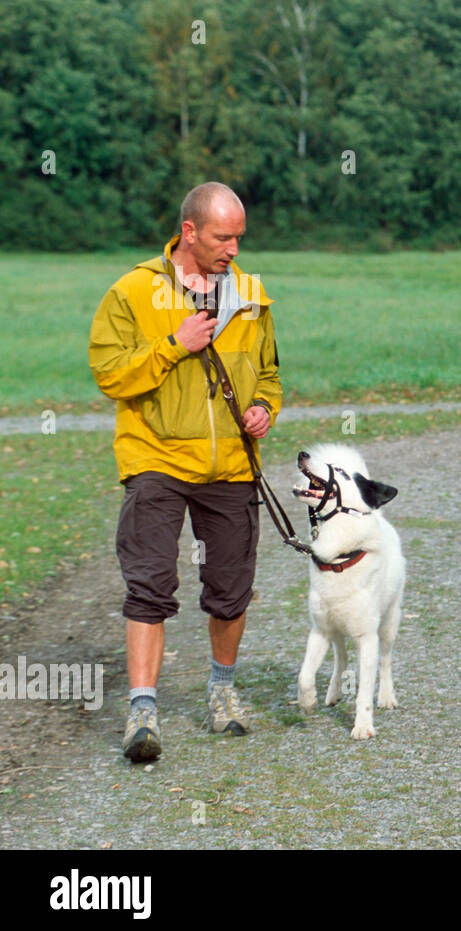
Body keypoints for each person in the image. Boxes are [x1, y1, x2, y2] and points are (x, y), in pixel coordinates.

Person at [88, 182, 281, 762]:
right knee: (149, 584)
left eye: (239, 237)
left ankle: (222, 692)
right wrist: (175, 344)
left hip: (230, 464)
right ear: (190, 232)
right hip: (156, 458)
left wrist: (263, 409)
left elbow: (269, 375)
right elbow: (110, 374)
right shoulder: (132, 291)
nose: (234, 249)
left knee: (230, 588)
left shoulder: (250, 294)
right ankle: (142, 710)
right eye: (223, 237)